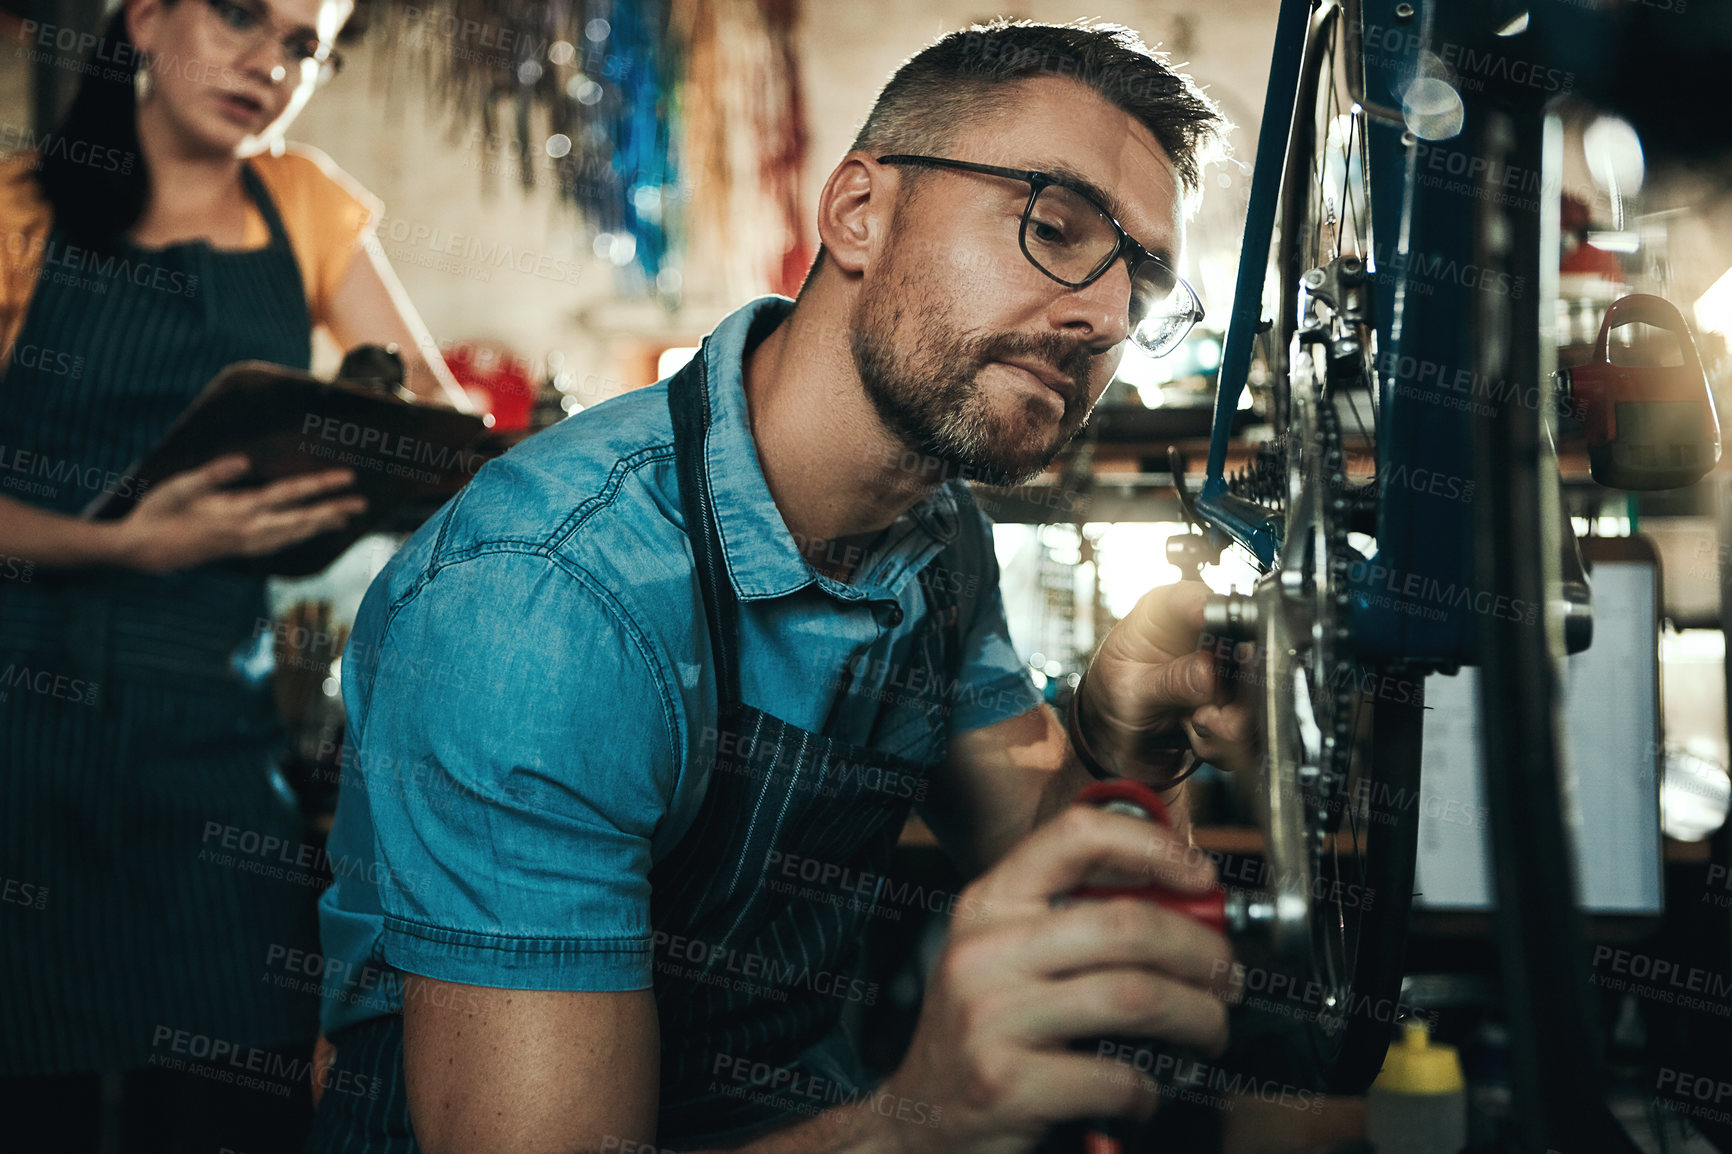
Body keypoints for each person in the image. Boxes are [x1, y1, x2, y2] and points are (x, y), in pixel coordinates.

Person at [309, 19, 1255, 1154]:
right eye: (1053, 229)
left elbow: (1056, 886)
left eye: (1142, 286)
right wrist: (922, 1122)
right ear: (860, 211)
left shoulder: (937, 535)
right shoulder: (546, 597)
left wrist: (1127, 740)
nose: (1104, 317)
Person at [0, 0, 468, 1148]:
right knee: (31, 1088)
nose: (270, 62)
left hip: (213, 718)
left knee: (240, 1076)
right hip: (18, 721)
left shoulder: (303, 202)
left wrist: (352, 463)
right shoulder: (18, 208)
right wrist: (128, 546)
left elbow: (443, 433)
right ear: (147, 22)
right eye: (242, 18)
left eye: (306, 45)